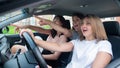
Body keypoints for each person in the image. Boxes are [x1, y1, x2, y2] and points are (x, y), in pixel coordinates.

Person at [20, 14, 113, 68]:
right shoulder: (77, 41)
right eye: (82, 23)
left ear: (96, 26)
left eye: (88, 24)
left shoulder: (104, 44)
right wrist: (34, 39)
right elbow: (58, 47)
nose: (83, 26)